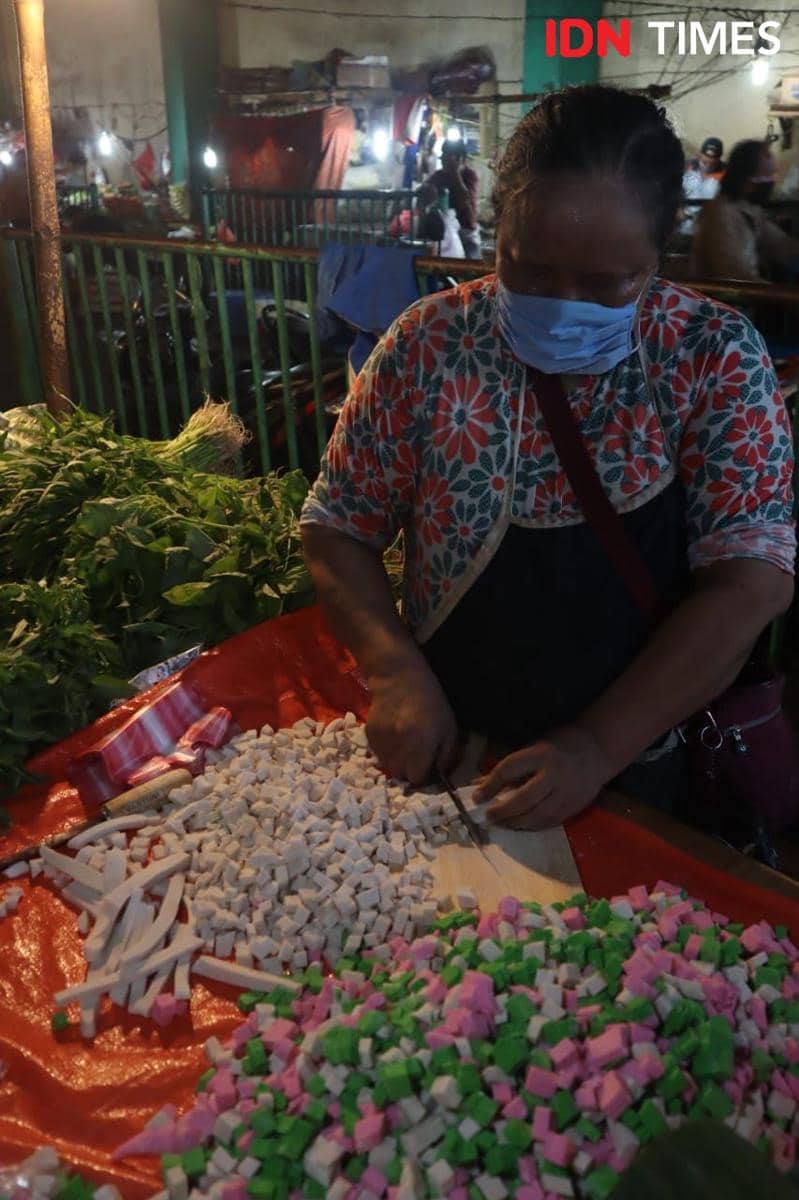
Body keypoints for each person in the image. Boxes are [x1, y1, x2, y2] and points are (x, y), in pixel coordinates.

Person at [300, 85, 794, 832]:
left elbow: (749, 581)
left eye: (606, 285)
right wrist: (393, 670)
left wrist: (598, 746)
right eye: (527, 272)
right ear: (496, 233)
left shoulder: (711, 357)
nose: (563, 306)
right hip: (450, 756)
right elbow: (338, 524)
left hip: (642, 767)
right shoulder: (429, 345)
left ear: (661, 253)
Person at [692, 139, 799, 281]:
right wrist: (782, 299)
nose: (772, 182)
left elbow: (782, 245)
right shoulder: (721, 215)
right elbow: (736, 279)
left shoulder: (748, 209)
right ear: (748, 180)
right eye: (768, 176)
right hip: (721, 299)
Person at [427, 139, 481, 258]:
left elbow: (465, 202)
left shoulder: (470, 176)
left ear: (460, 159)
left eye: (446, 159)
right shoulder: (438, 177)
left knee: (473, 265)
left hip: (467, 234)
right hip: (444, 233)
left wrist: (455, 174)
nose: (443, 163)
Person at [680, 135, 724, 235]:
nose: (709, 161)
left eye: (714, 158)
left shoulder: (725, 175)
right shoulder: (687, 167)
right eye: (706, 156)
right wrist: (677, 209)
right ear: (700, 154)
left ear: (719, 159)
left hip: (708, 229)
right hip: (682, 224)